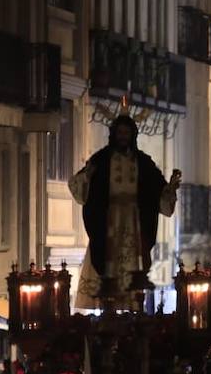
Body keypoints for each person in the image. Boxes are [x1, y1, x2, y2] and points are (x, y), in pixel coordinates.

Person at [68, 113, 181, 309]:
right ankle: (109, 298)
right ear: (114, 134)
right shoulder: (102, 159)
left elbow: (157, 189)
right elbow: (81, 187)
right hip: (109, 219)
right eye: (120, 132)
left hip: (134, 221)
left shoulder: (143, 162)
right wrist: (87, 175)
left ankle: (132, 298)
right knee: (107, 258)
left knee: (134, 264)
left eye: (126, 133)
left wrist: (169, 188)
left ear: (132, 135)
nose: (123, 137)